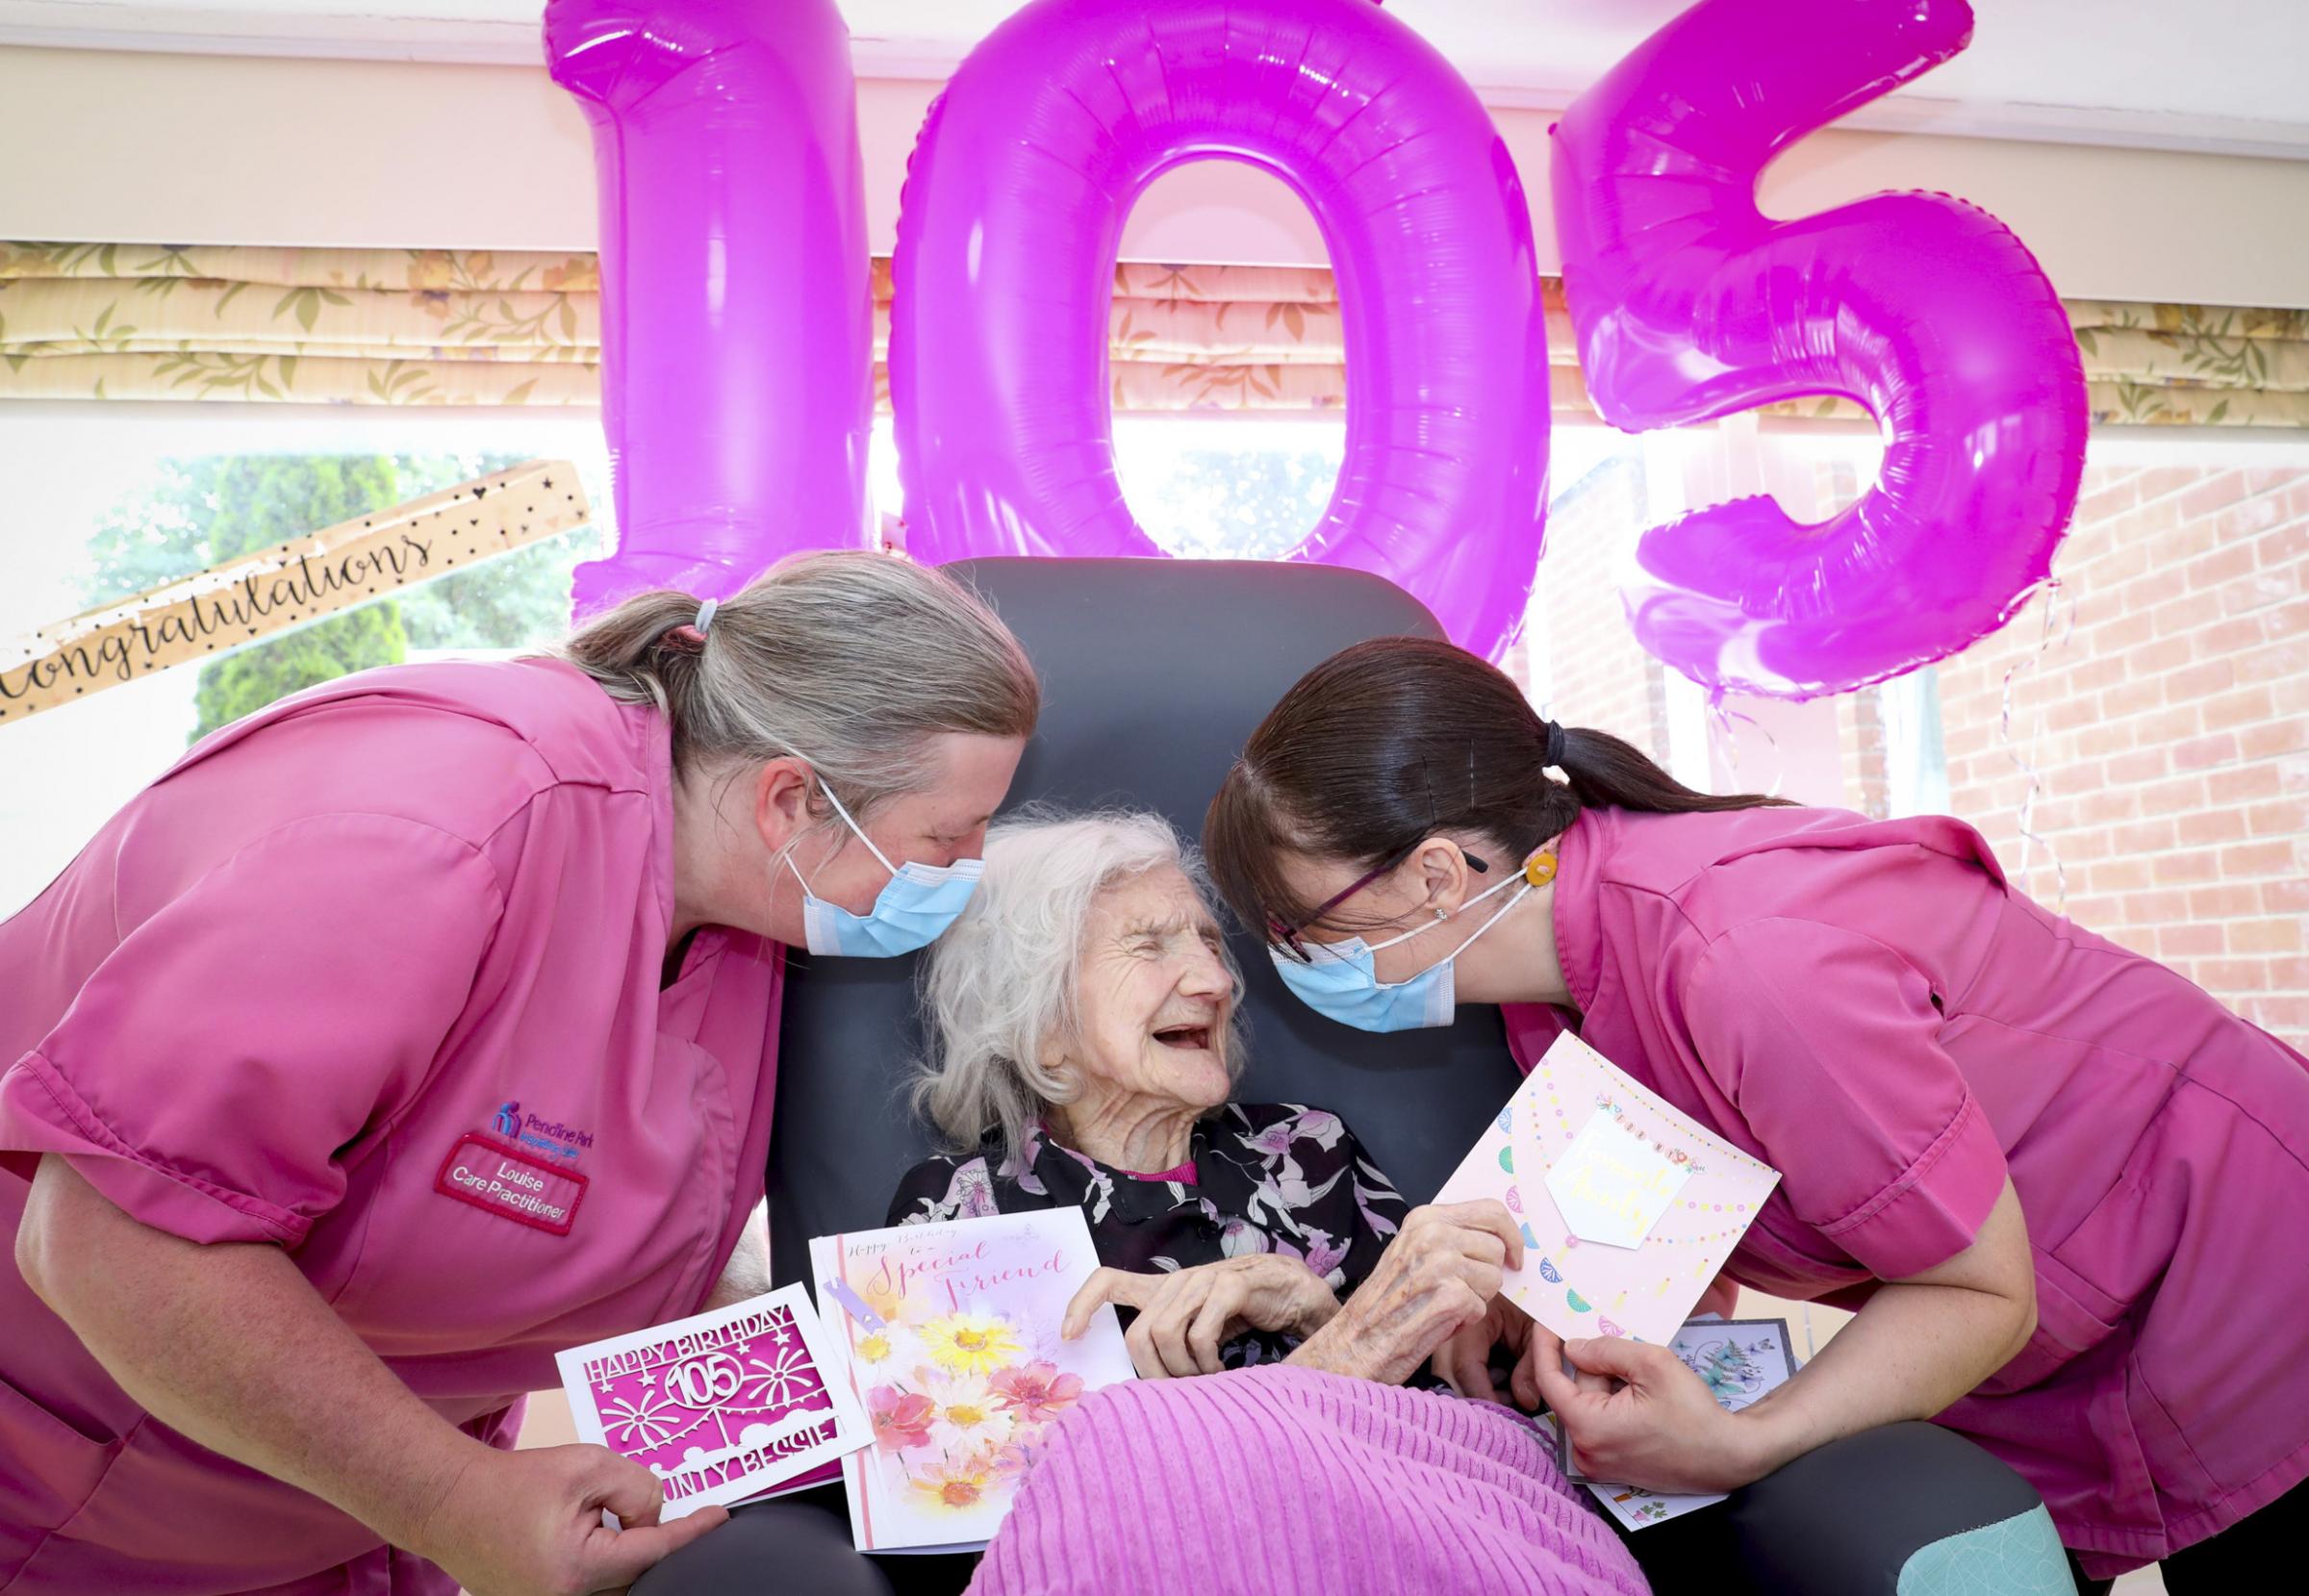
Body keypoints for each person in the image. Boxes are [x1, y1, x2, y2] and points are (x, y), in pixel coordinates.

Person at [0, 550, 1040, 1596]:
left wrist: (906, 1405)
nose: (965, 869)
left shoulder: (739, 907)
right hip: (73, 1492)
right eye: (947, 836)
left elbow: (630, 1241)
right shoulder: (430, 833)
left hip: (339, 1515)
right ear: (791, 800)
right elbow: (109, 1242)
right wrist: (455, 1502)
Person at [1199, 633, 2309, 1590]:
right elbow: (1682, 1204)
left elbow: (1977, 1288)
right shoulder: (1560, 977)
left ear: (1437, 875)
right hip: (2057, 1320)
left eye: (1305, 929)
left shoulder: (1750, 962)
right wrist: (1547, 1301)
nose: (1295, 964)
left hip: (2243, 1271)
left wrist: (1737, 1445)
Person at [894, 811, 1647, 1595]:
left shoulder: (1307, 1150)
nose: (1217, 981)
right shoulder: (965, 1212)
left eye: (1211, 944)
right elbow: (988, 1518)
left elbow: (1454, 1424)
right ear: (1040, 1020)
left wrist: (1319, 1315)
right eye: (1150, 946)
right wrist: (1334, 1357)